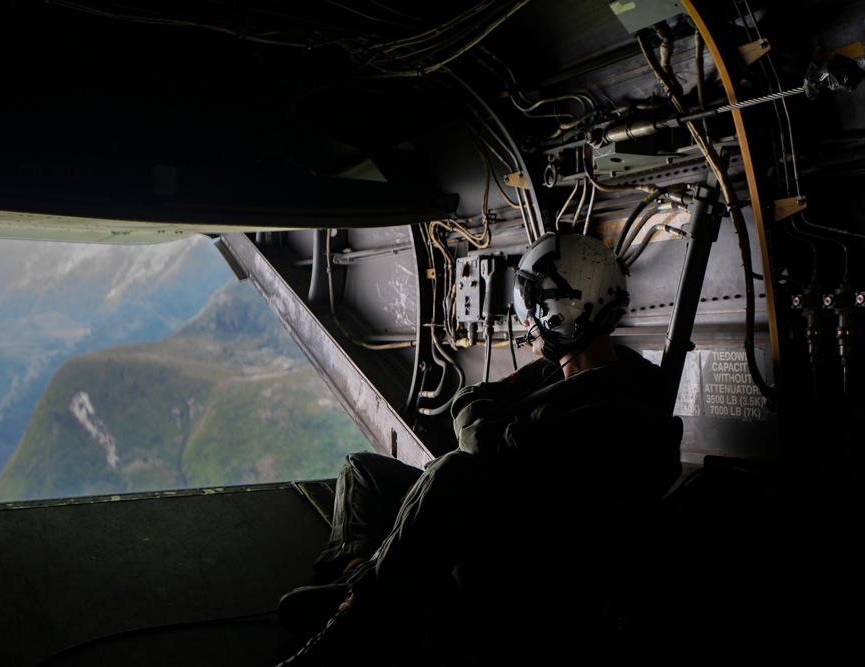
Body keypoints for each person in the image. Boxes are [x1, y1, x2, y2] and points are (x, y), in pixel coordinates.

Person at [275, 231, 683, 665]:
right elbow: (488, 425)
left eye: (533, 311)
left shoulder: (615, 412)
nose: (528, 325)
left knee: (454, 471)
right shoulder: (573, 374)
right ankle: (359, 577)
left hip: (523, 570)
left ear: (562, 312)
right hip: (505, 518)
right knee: (363, 471)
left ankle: (354, 618)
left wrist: (488, 398)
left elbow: (483, 445)